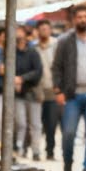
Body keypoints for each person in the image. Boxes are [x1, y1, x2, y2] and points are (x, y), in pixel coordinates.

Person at [53, 5, 86, 171]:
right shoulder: (65, 41)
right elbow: (57, 67)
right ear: (74, 20)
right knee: (68, 133)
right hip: (71, 95)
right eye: (79, 17)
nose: (83, 20)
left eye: (85, 16)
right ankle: (67, 164)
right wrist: (58, 90)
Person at [12, 24, 44, 158]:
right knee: (20, 123)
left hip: (32, 91)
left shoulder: (32, 52)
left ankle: (36, 150)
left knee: (35, 124)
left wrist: (22, 79)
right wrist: (15, 80)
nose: (19, 35)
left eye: (21, 32)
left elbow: (38, 71)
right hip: (17, 93)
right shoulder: (11, 52)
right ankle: (21, 148)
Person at [35, 21, 60, 160]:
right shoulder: (34, 48)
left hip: (53, 88)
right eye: (41, 29)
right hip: (37, 89)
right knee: (37, 122)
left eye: (46, 29)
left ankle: (50, 150)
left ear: (50, 30)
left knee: (51, 122)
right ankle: (35, 149)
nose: (44, 31)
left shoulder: (57, 45)